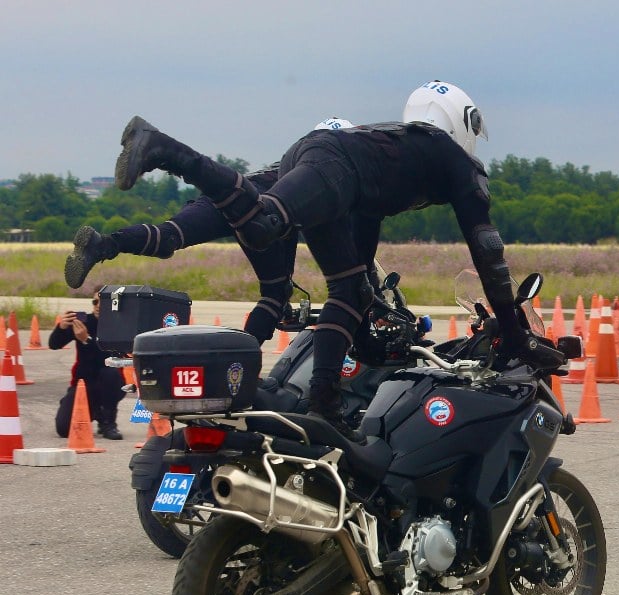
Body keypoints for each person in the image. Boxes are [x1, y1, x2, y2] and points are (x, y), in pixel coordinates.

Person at [109, 81, 529, 438]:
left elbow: (362, 267)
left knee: (349, 291)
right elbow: (489, 255)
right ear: (463, 121)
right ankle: (162, 148)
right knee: (262, 224)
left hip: (329, 168)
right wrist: (514, 336)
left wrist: (362, 333)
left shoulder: (395, 155)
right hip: (332, 167)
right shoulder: (454, 162)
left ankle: (323, 405)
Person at [65, 118, 356, 345]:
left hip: (226, 194)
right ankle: (242, 361)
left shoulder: (290, 160)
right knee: (275, 294)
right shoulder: (322, 177)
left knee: (168, 235)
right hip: (259, 212)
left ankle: (104, 244)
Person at [48, 286, 128, 440]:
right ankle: (91, 410)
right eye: (95, 301)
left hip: (110, 385)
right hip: (83, 385)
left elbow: (108, 357)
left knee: (110, 372)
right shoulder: (85, 322)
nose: (98, 305)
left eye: (103, 301)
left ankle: (108, 421)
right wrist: (62, 327)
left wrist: (86, 340)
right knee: (64, 430)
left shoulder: (118, 326)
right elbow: (54, 344)